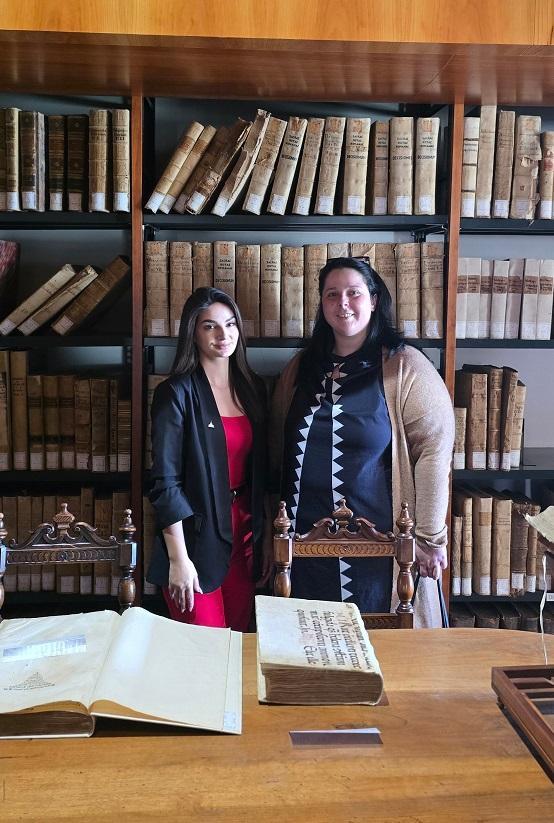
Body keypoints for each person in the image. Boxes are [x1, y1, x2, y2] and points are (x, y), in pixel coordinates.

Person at [270, 257, 455, 627]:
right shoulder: (301, 367)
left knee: (381, 645)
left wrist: (429, 537)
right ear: (322, 304)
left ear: (373, 300)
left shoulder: (405, 366)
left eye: (353, 293)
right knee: (311, 640)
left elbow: (434, 452)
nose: (343, 303)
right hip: (303, 545)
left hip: (380, 547)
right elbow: (277, 444)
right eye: (332, 294)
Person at [147, 287, 268, 631]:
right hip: (195, 544)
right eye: (209, 326)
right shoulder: (175, 393)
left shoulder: (253, 389)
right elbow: (166, 484)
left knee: (238, 645)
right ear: (193, 333)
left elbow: (262, 474)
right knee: (207, 648)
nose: (223, 335)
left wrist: (266, 543)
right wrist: (178, 559)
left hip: (244, 540)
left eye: (230, 324)